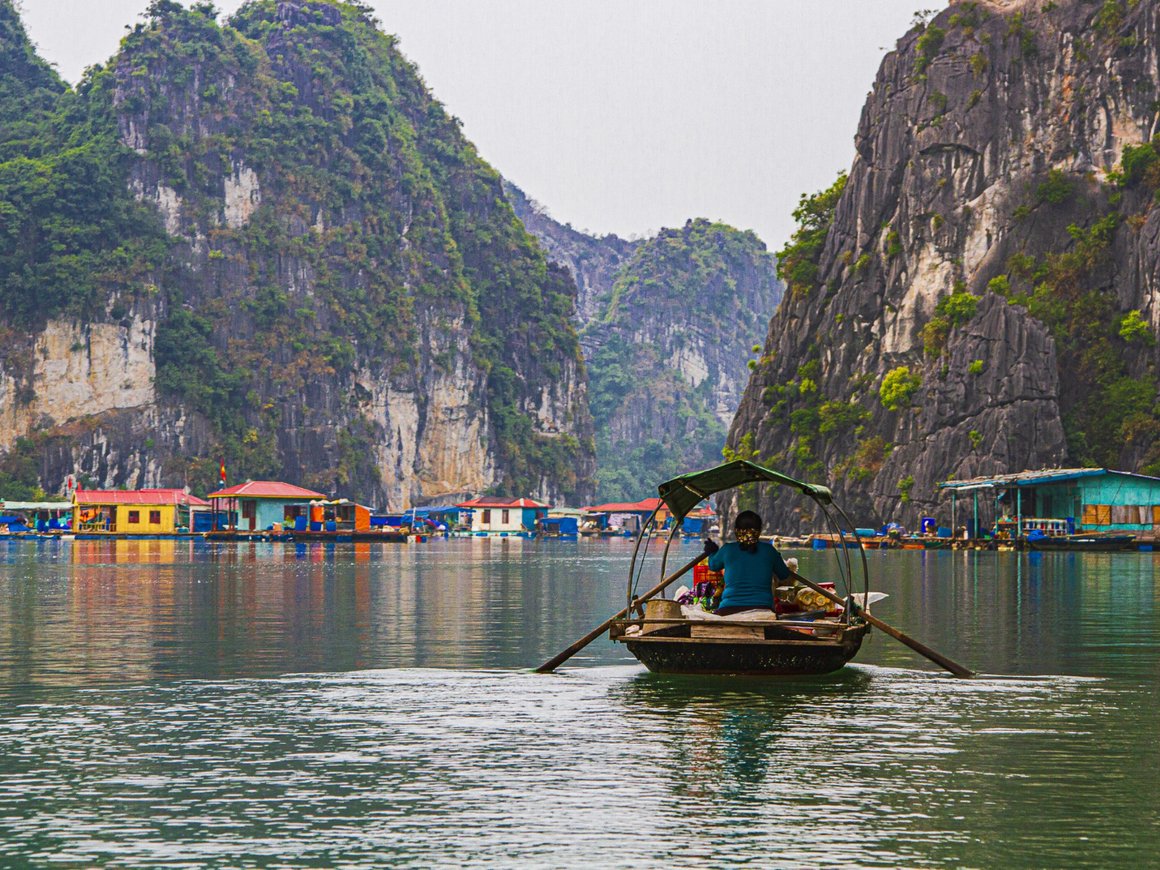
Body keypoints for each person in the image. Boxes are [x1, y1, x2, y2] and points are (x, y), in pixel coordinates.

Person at [703, 510, 792, 615]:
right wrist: (776, 558)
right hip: (763, 608)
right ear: (759, 531)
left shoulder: (727, 549)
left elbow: (713, 565)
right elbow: (784, 574)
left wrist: (712, 552)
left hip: (728, 609)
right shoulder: (769, 551)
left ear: (736, 530)